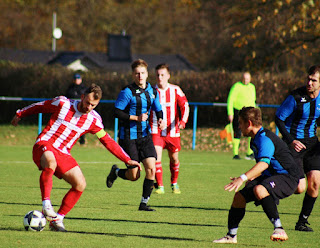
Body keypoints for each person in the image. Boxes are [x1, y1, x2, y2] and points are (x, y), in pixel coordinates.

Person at [11, 84, 140, 232]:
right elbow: (41, 106)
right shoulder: (63, 103)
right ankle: (46, 204)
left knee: (80, 184)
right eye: (87, 103)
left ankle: (57, 219)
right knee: (50, 161)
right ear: (82, 97)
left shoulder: (94, 120)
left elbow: (107, 141)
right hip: (45, 143)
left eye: (93, 105)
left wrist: (126, 159)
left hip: (63, 152)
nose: (89, 107)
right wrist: (20, 114)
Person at [213, 107, 300, 244]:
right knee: (239, 198)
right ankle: (231, 236)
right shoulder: (255, 138)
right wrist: (253, 177)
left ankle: (279, 229)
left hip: (288, 178)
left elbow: (264, 164)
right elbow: (265, 165)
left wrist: (243, 178)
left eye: (240, 123)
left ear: (249, 123)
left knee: (260, 189)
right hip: (271, 176)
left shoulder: (264, 139)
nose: (239, 126)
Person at [106, 59, 165, 211]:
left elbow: (158, 108)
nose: (140, 76)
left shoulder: (152, 91)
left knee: (151, 169)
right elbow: (116, 112)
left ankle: (143, 203)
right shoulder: (127, 92)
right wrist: (135, 118)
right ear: (133, 75)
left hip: (145, 137)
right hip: (128, 138)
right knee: (134, 175)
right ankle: (116, 172)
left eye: (142, 73)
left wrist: (160, 119)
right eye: (137, 73)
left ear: (147, 74)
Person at [275, 65, 320, 232]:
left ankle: (302, 222)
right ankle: (272, 186)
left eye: (313, 80)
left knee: (315, 183)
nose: (309, 82)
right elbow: (279, 119)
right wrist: (291, 140)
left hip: (313, 145)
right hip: (294, 144)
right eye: (308, 79)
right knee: (300, 188)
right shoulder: (295, 97)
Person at [149, 63, 189, 194]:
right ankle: (160, 186)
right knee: (156, 158)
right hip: (156, 130)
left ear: (168, 76)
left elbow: (185, 106)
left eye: (162, 75)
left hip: (173, 131)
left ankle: (174, 183)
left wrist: (183, 121)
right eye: (158, 75)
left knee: (174, 159)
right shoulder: (150, 90)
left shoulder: (175, 90)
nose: (160, 77)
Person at [227, 72, 256, 160]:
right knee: (237, 131)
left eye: (248, 78)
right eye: (245, 78)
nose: (246, 80)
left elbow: (253, 100)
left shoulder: (252, 87)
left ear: (250, 79)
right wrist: (230, 113)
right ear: (242, 78)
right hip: (238, 111)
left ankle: (250, 152)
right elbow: (230, 100)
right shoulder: (236, 86)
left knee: (251, 131)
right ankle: (235, 153)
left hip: (249, 112)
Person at [65, 73, 87, 145]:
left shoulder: (84, 88)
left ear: (81, 79)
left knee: (81, 125)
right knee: (70, 124)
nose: (77, 80)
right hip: (71, 109)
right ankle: (70, 140)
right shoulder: (70, 88)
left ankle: (82, 141)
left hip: (81, 109)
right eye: (75, 79)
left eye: (78, 79)